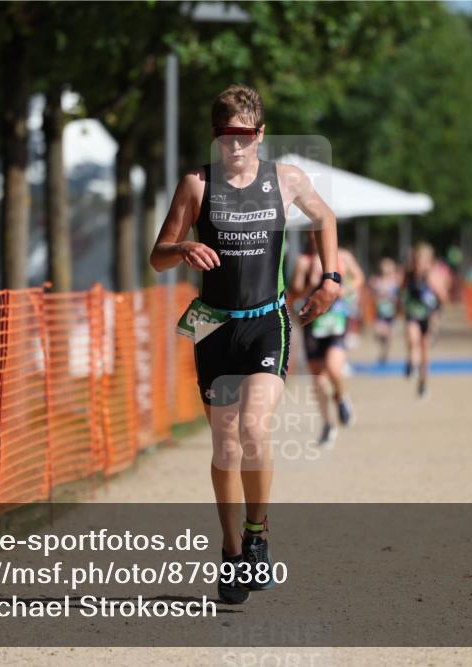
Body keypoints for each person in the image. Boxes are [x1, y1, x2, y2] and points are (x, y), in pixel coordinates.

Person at [150, 85, 340, 604]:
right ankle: (231, 553)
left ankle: (258, 536)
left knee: (255, 427)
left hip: (265, 323)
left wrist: (332, 278)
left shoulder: (285, 180)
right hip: (212, 326)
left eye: (243, 137)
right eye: (224, 137)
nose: (234, 147)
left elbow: (325, 218)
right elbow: (157, 256)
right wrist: (183, 246)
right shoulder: (196, 185)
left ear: (260, 134)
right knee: (225, 445)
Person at [289, 238, 364, 448]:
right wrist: (311, 284)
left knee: (333, 367)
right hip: (313, 321)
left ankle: (341, 398)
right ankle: (327, 424)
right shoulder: (304, 261)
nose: (315, 237)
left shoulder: (343, 256)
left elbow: (359, 278)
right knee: (318, 379)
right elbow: (294, 291)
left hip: (336, 318)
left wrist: (343, 289)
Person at [402, 243, 447, 398]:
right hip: (413, 314)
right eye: (417, 260)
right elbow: (401, 290)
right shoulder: (409, 274)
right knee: (412, 337)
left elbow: (443, 298)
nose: (420, 264)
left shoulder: (434, 275)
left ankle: (423, 382)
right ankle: (411, 362)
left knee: (425, 351)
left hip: (428, 316)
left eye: (423, 261)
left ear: (430, 261)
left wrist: (434, 289)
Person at [369, 257, 400, 365]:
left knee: (389, 336)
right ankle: (382, 343)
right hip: (380, 312)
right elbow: (372, 295)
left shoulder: (395, 281)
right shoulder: (376, 280)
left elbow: (397, 297)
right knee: (378, 332)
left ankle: (384, 353)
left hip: (390, 313)